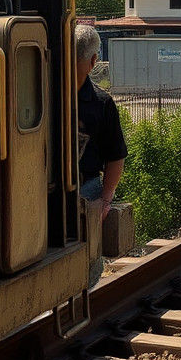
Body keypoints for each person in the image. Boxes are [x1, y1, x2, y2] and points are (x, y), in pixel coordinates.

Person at [75, 24, 126, 220]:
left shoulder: (102, 103)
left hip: (87, 189)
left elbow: (116, 155)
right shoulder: (102, 101)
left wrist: (104, 201)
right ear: (94, 61)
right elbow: (116, 156)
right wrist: (106, 198)